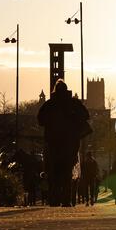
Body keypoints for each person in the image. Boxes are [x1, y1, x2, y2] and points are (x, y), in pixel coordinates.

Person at [37, 79, 90, 207]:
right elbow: (86, 115)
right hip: (70, 142)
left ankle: (54, 199)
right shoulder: (74, 103)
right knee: (67, 171)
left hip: (53, 143)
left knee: (53, 171)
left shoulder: (49, 104)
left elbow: (40, 120)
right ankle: (66, 199)